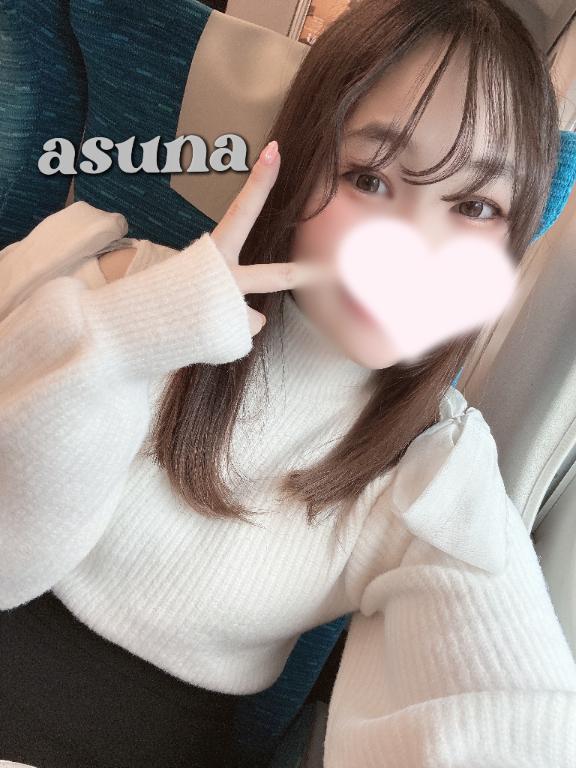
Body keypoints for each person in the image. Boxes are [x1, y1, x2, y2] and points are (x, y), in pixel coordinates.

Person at [1, 0, 576, 766]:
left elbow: (503, 708)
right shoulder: (110, 279)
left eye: (474, 205)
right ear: (298, 170)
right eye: (370, 178)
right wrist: (132, 335)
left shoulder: (433, 462)